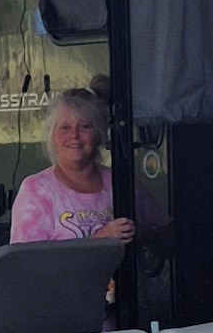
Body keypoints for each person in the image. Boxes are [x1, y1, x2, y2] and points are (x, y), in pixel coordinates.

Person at [10, 87, 133, 246]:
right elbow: (27, 262)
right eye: (65, 127)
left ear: (99, 134)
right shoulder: (35, 189)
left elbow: (159, 227)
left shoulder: (119, 180)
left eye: (85, 127)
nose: (74, 135)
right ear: (52, 136)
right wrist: (100, 239)